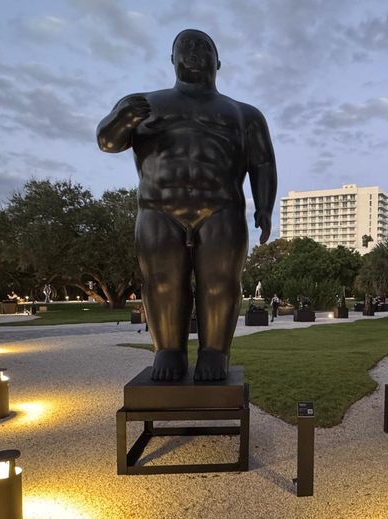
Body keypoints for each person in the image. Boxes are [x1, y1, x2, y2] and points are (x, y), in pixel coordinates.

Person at [97, 30, 277, 381]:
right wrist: (124, 119)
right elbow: (107, 141)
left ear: (218, 62)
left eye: (203, 46)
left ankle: (215, 351)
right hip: (158, 206)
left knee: (220, 282)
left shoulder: (244, 113)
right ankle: (168, 349)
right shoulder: (144, 103)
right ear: (172, 59)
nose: (194, 51)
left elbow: (263, 163)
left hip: (221, 207)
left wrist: (265, 207)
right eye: (186, 45)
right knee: (162, 281)